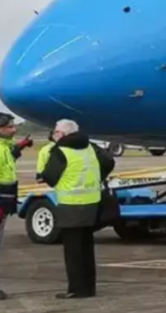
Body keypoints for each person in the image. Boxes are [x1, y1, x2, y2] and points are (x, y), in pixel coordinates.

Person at [40, 119, 115, 299]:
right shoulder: (90, 146)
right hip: (91, 202)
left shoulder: (60, 151)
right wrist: (96, 178)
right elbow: (108, 162)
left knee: (73, 251)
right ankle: (89, 288)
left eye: (57, 133)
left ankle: (76, 289)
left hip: (71, 204)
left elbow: (49, 176)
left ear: (63, 134)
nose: (55, 135)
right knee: (87, 247)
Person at [0, 113, 32, 301]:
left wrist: (20, 147)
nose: (14, 129)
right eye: (9, 127)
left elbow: (8, 158)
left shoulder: (4, 146)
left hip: (4, 201)